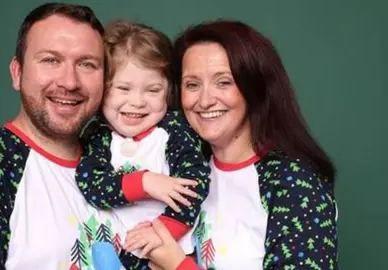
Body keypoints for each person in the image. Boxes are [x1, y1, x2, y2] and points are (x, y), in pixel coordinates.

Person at [0, 3, 126, 269]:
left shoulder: (119, 161)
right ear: (17, 73)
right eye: (50, 60)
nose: (69, 82)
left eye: (87, 64)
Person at [127, 20, 339, 270]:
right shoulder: (180, 176)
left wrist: (177, 265)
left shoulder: (294, 181)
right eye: (192, 85)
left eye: (223, 82)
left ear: (254, 88)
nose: (205, 100)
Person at [75, 20, 210, 269]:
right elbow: (91, 184)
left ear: (169, 92)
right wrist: (144, 182)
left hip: (170, 247)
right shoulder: (100, 134)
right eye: (123, 88)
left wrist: (165, 230)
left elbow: (196, 184)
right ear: (103, 89)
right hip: (122, 251)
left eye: (152, 90)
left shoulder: (174, 130)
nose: (136, 102)